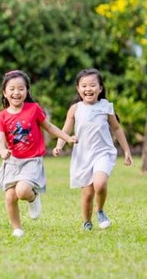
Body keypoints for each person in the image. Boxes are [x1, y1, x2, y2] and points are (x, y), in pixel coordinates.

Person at [0, 70, 77, 237]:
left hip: (32, 160)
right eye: (12, 89)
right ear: (4, 92)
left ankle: (32, 198)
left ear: (26, 91)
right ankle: (17, 228)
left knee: (22, 191)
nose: (16, 92)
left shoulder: (33, 109)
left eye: (21, 88)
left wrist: (66, 137)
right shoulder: (1, 116)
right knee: (10, 196)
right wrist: (2, 151)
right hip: (12, 161)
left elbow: (49, 127)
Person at [53, 68, 133, 231]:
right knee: (88, 193)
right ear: (78, 88)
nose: (88, 89)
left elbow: (117, 129)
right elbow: (66, 130)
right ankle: (86, 221)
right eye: (84, 85)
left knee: (100, 183)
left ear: (100, 88)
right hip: (83, 156)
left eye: (92, 85)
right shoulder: (75, 109)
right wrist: (59, 146)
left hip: (103, 153)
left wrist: (126, 151)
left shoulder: (106, 106)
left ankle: (101, 211)